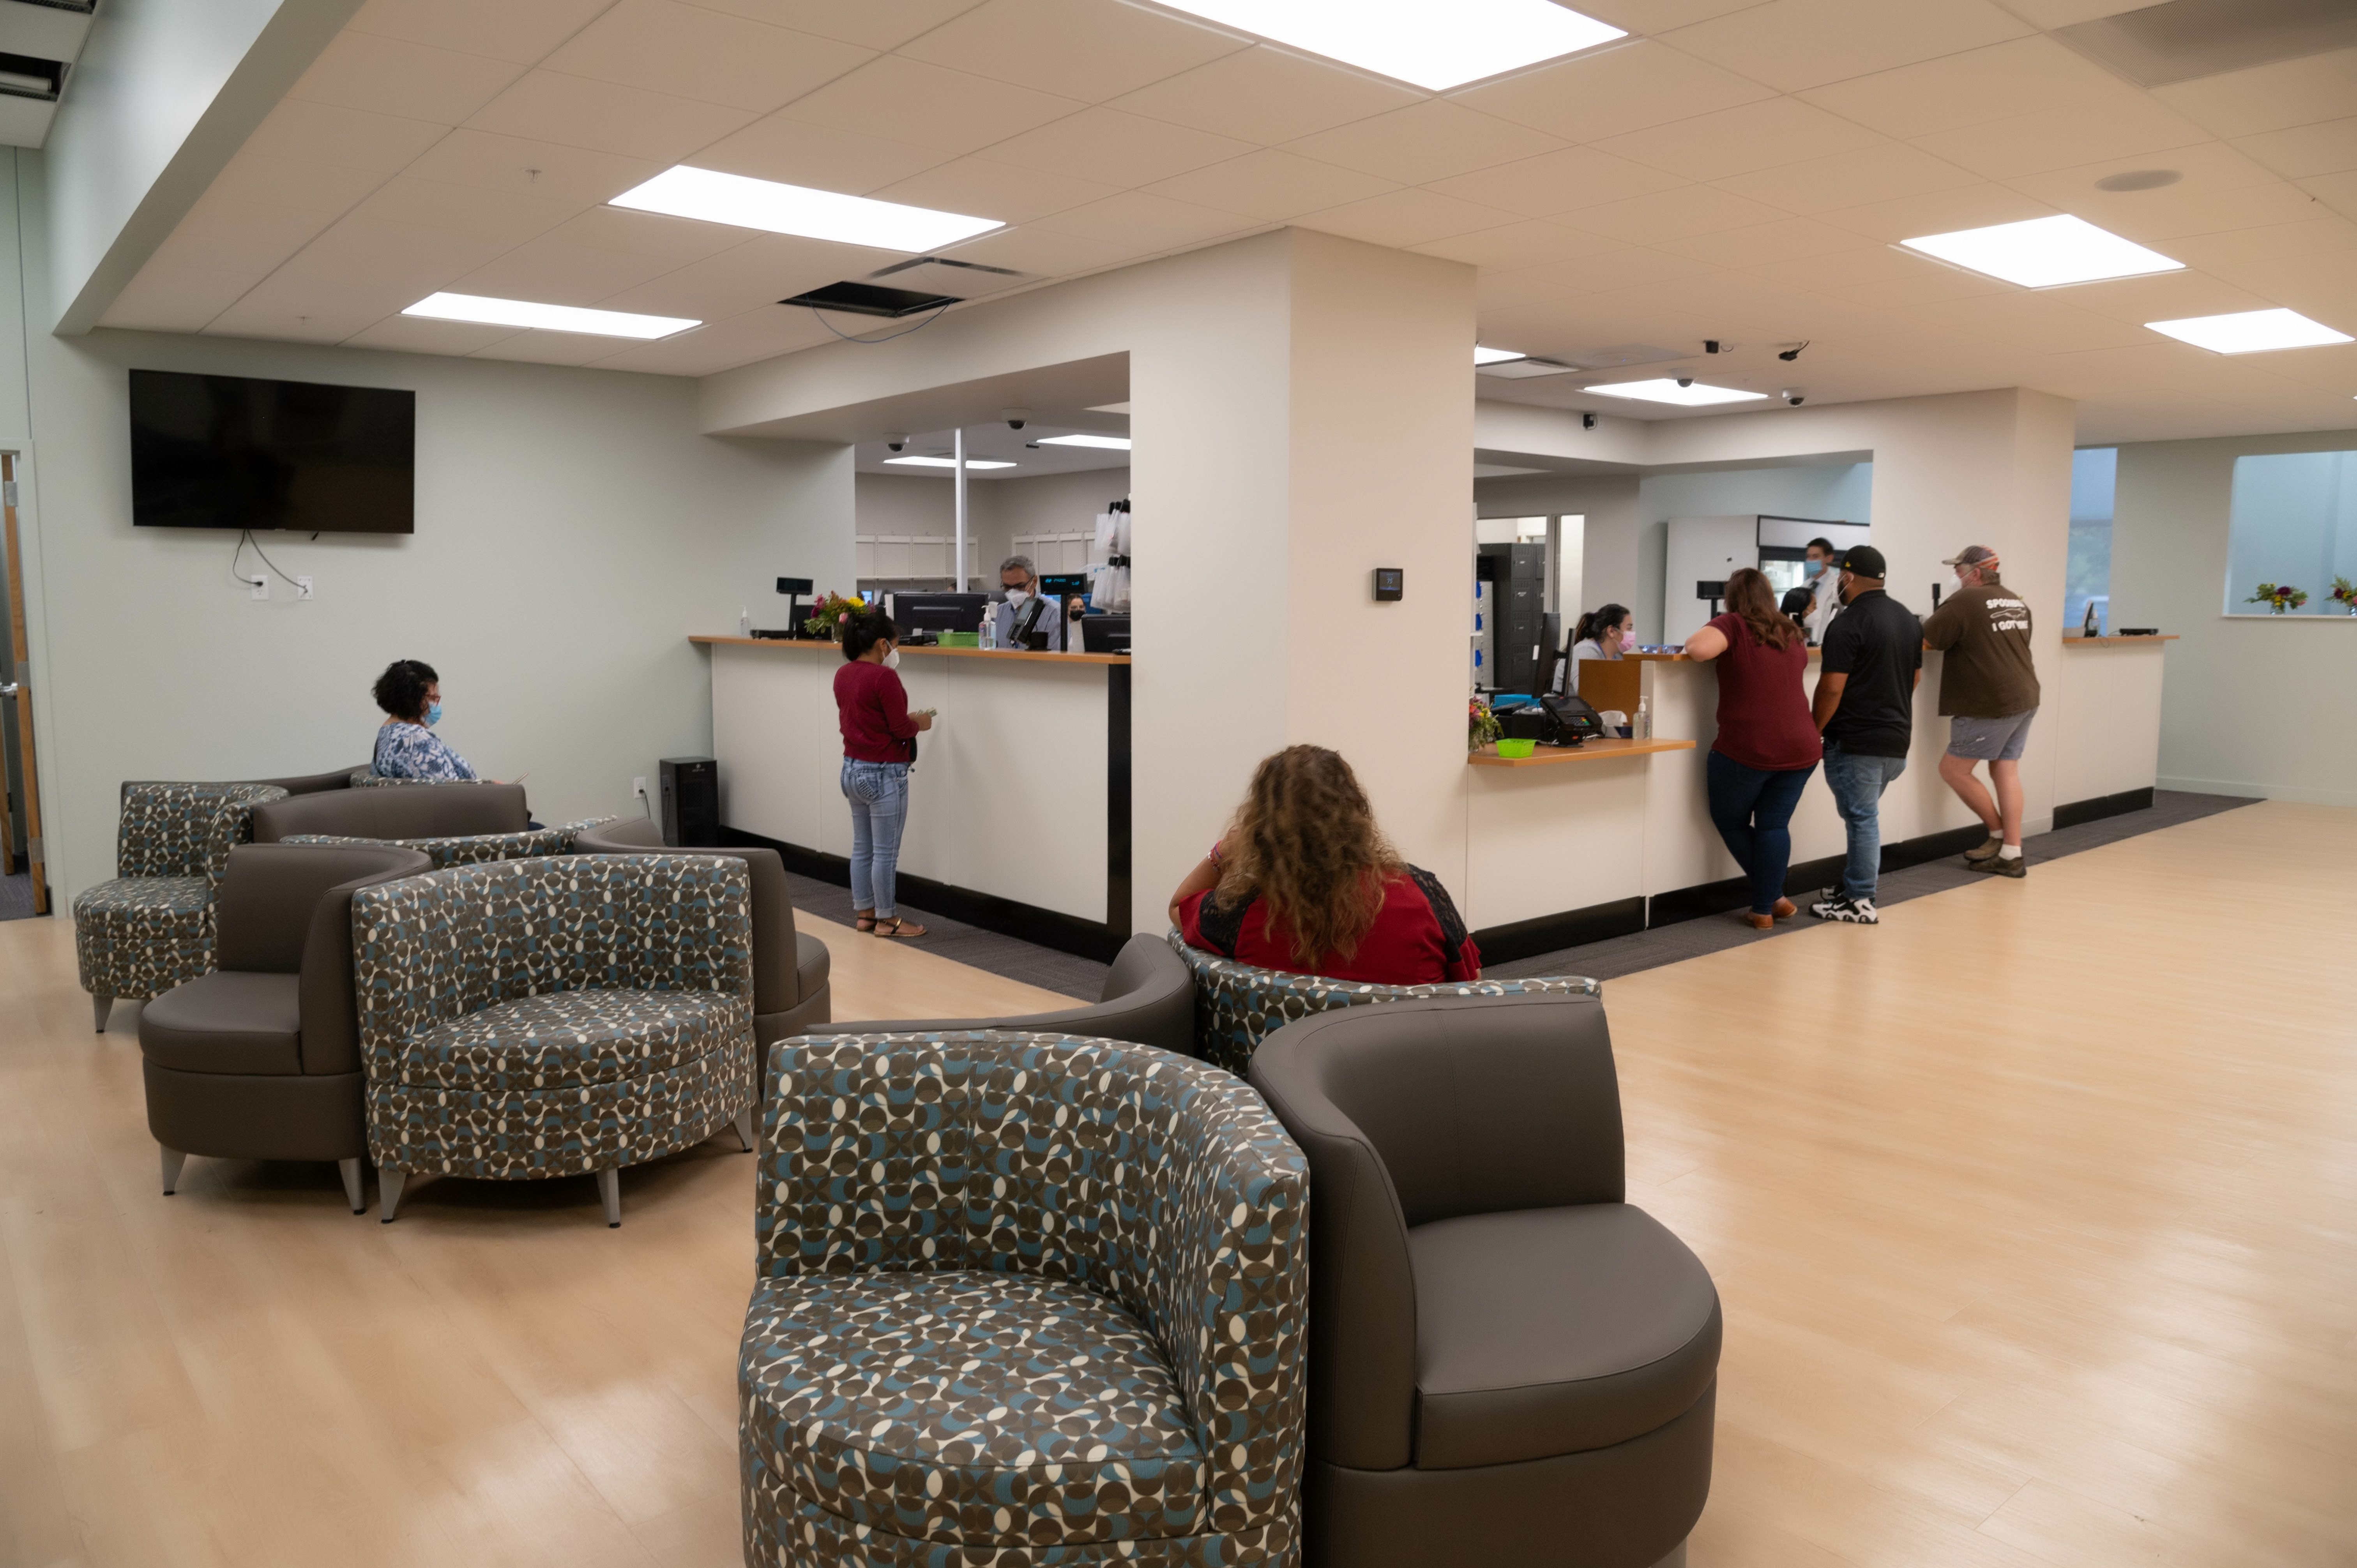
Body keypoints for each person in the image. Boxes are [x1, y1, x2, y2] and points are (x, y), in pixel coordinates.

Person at [1169, 744, 1480, 984]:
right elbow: (1471, 986)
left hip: (1281, 1065)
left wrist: (1222, 854)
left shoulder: (1240, 913)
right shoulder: (1421, 895)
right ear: (1356, 811)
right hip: (1412, 1064)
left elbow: (1179, 907)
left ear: (1260, 826)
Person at [1683, 567, 1821, 930]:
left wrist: (1722, 623)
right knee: (1774, 825)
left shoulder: (1733, 624)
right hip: (1802, 746)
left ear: (1733, 599)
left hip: (1751, 746)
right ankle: (1769, 903)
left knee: (1730, 820)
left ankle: (1768, 901)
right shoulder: (1791, 631)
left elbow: (1696, 650)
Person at [1807, 547, 1921, 924]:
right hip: (1896, 742)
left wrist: (1813, 730)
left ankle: (1859, 899)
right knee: (1864, 817)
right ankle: (1852, 887)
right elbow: (1914, 678)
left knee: (1862, 819)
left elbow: (1832, 687)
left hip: (1857, 741)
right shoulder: (1907, 619)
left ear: (1848, 578)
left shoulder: (1849, 622)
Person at [1922, 544, 2039, 878]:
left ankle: (2000, 835)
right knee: (2006, 771)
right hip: (2025, 695)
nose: (1956, 577)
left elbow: (1927, 640)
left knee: (1954, 770)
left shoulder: (1965, 600)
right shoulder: (2017, 601)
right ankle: (2011, 852)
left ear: (1975, 574)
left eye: (1959, 571)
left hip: (1989, 701)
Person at [834, 611, 934, 938]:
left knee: (862, 848)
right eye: (894, 645)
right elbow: (900, 728)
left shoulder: (843, 674)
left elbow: (867, 719)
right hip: (883, 774)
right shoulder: (885, 678)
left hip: (852, 770)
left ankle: (865, 914)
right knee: (886, 853)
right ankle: (888, 920)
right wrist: (920, 722)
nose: (895, 651)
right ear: (882, 644)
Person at [371, 659, 479, 782]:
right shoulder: (413, 739)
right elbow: (452, 792)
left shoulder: (387, 734)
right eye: (433, 698)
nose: (437, 704)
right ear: (412, 700)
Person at [991, 554, 1065, 651]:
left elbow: (1056, 658)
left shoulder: (1054, 613)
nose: (1013, 592)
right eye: (1007, 587)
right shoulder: (998, 612)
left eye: (1020, 586)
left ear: (1034, 582)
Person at [1554, 602, 1633, 694]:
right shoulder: (1586, 652)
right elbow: (1586, 694)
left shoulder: (1617, 656)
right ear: (1611, 631)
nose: (1632, 633)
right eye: (1629, 628)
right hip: (1569, 707)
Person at [1779, 537, 1843, 644]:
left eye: (1816, 557)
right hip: (1802, 644)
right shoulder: (1804, 587)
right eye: (1808, 557)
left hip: (1825, 645)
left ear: (1829, 558)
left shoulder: (1838, 587)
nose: (1811, 561)